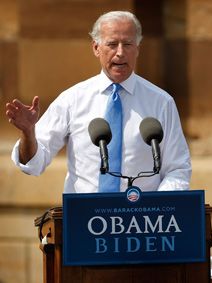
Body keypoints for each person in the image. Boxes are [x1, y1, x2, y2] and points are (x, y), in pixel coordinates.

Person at [5, 11, 191, 193]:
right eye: (112, 44)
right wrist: (28, 133)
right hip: (86, 219)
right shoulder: (73, 99)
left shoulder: (161, 102)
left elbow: (177, 169)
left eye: (127, 44)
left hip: (143, 220)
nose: (120, 53)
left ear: (137, 49)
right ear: (96, 48)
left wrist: (160, 208)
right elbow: (33, 164)